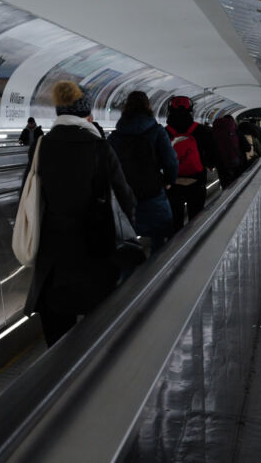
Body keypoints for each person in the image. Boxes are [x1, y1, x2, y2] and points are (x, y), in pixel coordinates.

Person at [25, 80, 135, 346]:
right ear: (88, 115)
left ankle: (59, 383)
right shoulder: (99, 146)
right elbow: (124, 198)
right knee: (99, 334)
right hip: (95, 250)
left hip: (53, 259)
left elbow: (28, 198)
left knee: (57, 337)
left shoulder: (41, 146)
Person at [108, 91, 177, 249]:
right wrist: (169, 181)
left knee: (125, 242)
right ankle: (160, 271)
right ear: (148, 107)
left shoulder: (115, 136)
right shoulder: (158, 131)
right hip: (153, 192)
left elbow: (108, 166)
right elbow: (171, 161)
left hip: (125, 195)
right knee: (161, 238)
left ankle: (130, 273)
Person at [164, 96, 220, 230]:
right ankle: (194, 246)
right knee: (196, 217)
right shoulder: (201, 130)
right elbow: (214, 153)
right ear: (191, 110)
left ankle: (174, 248)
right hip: (197, 179)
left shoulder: (164, 132)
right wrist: (209, 164)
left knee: (175, 219)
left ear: (169, 110)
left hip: (172, 182)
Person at [211, 114, 243, 186]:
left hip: (219, 160)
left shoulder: (214, 131)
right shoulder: (235, 132)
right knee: (237, 181)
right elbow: (247, 147)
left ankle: (226, 194)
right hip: (234, 159)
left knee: (224, 180)